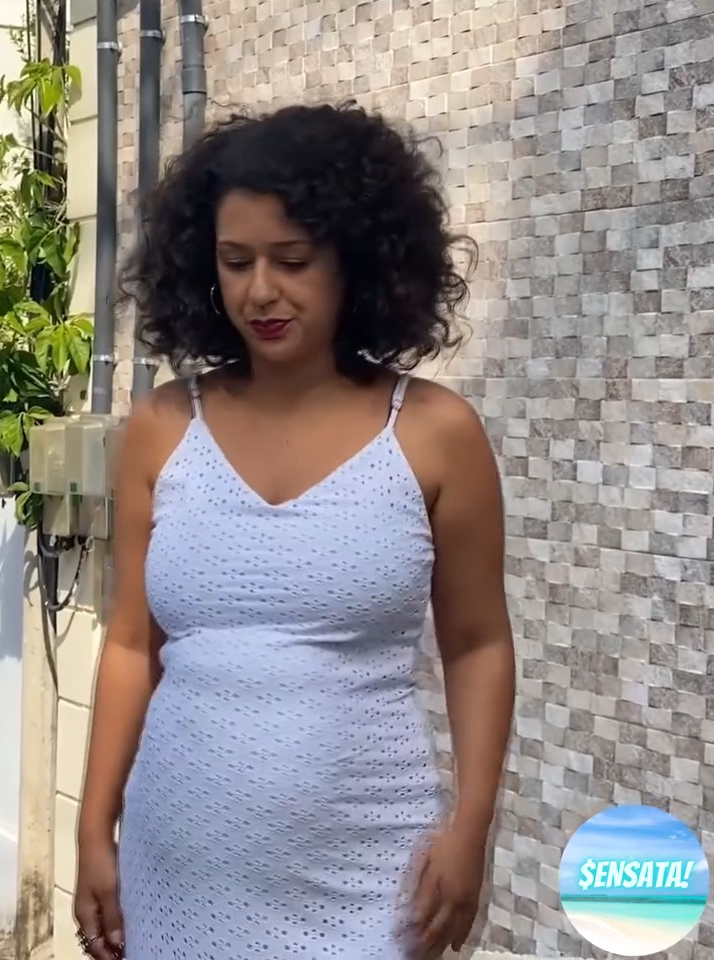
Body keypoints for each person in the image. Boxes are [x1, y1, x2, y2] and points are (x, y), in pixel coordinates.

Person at [73, 101, 515, 960]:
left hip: (372, 867)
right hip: (179, 862)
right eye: (235, 262)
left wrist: (472, 827)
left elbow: (477, 645)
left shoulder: (435, 433)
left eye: (293, 260)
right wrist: (96, 827)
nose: (260, 291)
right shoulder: (163, 427)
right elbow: (131, 643)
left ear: (358, 259)